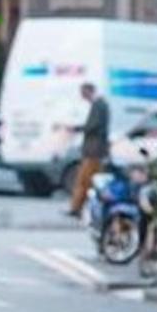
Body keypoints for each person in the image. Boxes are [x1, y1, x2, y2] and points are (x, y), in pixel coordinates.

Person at [65, 82, 109, 217]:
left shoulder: (98, 105)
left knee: (84, 180)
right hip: (96, 150)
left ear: (89, 91)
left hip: (93, 150)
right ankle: (82, 207)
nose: (82, 96)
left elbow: (93, 126)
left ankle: (76, 208)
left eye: (83, 93)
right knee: (91, 181)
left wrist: (77, 129)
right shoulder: (101, 104)